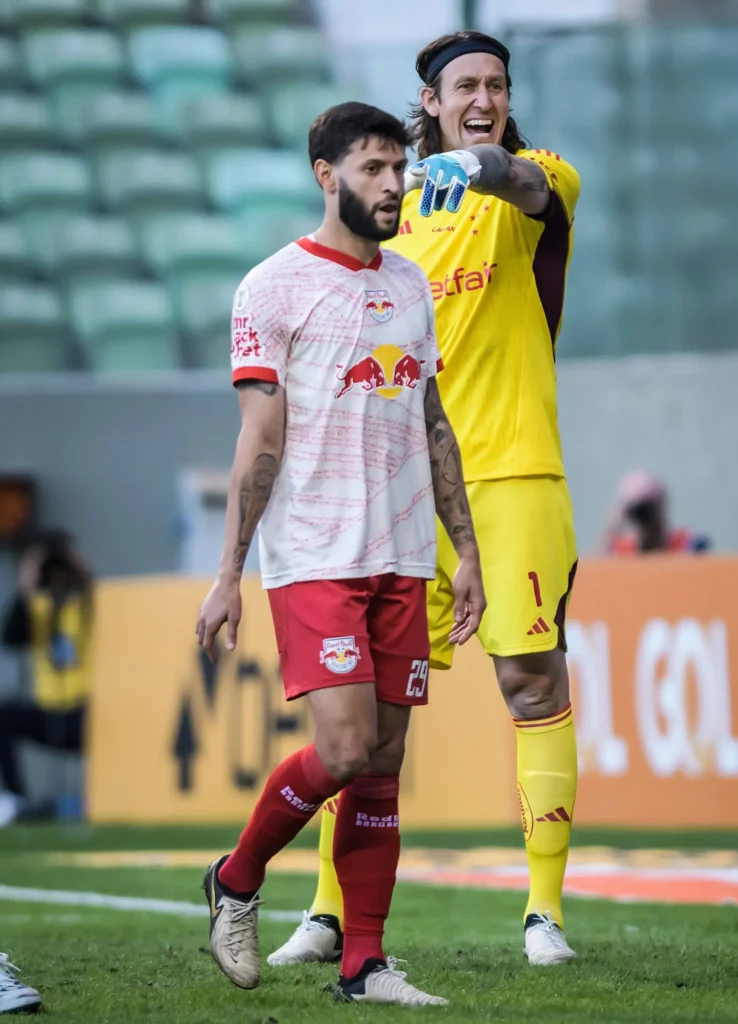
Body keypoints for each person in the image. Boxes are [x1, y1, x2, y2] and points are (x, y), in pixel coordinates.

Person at [271, 30, 582, 970]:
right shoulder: (389, 219)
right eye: (464, 87)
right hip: (400, 489)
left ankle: (542, 912)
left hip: (514, 473)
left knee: (531, 683)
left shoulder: (538, 182)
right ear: (430, 99)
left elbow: (520, 184)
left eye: (496, 84)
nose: (483, 96)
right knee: (362, 719)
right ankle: (327, 913)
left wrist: (473, 164)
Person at [195, 101, 485, 1007]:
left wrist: (464, 549)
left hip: (403, 554)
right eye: (372, 169)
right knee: (346, 746)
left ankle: (364, 963)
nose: (394, 184)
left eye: (398, 168)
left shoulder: (409, 285)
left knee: (385, 760)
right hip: (314, 553)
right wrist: (227, 573)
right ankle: (237, 880)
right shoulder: (270, 288)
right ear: (327, 176)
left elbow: (433, 423)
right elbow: (260, 437)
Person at [0, 530, 92, 828]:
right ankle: (16, 800)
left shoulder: (88, 603)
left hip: (88, 711)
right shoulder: (37, 606)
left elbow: (100, 596)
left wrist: (78, 566)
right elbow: (12, 638)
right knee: (5, 716)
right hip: (48, 709)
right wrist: (26, 581)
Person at [603, 471, 711, 554]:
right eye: (637, 510)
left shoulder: (691, 545)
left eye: (647, 509)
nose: (643, 516)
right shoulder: (619, 551)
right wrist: (612, 528)